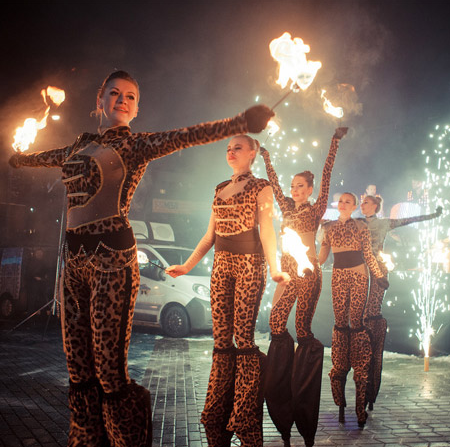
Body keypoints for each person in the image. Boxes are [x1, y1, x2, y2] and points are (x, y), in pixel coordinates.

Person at [8, 70, 275, 447]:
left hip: (111, 261)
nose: (121, 100)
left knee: (108, 372)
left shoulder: (135, 145)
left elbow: (186, 135)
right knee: (78, 370)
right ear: (99, 100)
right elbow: (44, 157)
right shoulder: (75, 147)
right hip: (74, 262)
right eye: (114, 93)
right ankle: (85, 440)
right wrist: (19, 160)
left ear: (136, 109)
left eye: (130, 96)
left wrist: (240, 123)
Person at [166, 134, 290, 447]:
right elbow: (209, 236)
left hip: (249, 263)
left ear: (253, 153)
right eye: (228, 148)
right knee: (221, 340)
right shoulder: (220, 188)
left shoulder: (261, 187)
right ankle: (217, 411)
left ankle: (244, 414)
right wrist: (187, 265)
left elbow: (267, 231)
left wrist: (274, 267)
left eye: (237, 147)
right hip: (221, 266)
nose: (231, 151)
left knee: (243, 339)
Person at [259, 127, 348, 447]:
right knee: (275, 325)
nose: (295, 190)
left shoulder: (317, 207)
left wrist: (333, 141)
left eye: (301, 186)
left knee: (302, 330)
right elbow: (273, 181)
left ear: (310, 189)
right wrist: (266, 156)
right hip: (288, 272)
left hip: (309, 273)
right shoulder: (285, 205)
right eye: (293, 185)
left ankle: (304, 411)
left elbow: (327, 173)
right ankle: (283, 406)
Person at [359, 195, 442, 410]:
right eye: (362, 203)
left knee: (372, 315)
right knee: (360, 316)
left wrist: (433, 215)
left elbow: (411, 220)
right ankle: (362, 370)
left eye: (366, 203)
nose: (363, 205)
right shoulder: (355, 223)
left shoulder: (384, 222)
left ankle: (371, 377)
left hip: (377, 271)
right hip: (358, 271)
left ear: (375, 206)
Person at [318, 192, 388, 428]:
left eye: (349, 201)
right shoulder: (328, 228)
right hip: (338, 276)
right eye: (341, 201)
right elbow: (322, 257)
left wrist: (378, 276)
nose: (344, 204)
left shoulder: (360, 227)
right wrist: (304, 263)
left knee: (356, 325)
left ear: (355, 206)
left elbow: (368, 253)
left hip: (359, 275)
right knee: (340, 324)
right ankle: (339, 389)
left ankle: (360, 402)